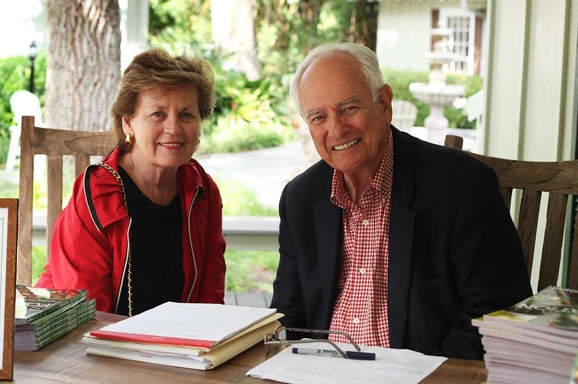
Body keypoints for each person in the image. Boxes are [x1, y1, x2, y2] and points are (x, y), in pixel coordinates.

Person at [270, 41, 532, 359]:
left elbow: (496, 318)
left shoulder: (463, 187)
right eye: (318, 117)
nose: (336, 129)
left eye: (349, 108)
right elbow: (287, 318)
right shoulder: (300, 199)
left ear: (384, 104)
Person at [36, 48, 226, 316]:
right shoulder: (96, 196)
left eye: (186, 115)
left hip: (178, 346)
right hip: (93, 343)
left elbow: (210, 297)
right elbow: (86, 315)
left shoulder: (202, 190)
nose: (173, 128)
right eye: (158, 114)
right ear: (128, 123)